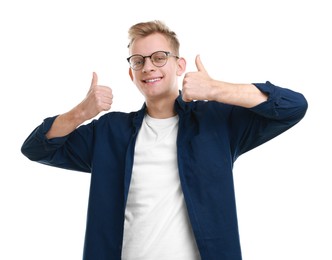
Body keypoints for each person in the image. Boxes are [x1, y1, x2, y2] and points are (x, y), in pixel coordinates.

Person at [21, 20, 308, 260]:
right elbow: (35, 147)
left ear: (179, 65)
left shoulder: (215, 123)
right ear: (131, 73)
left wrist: (216, 90)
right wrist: (82, 112)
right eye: (138, 61)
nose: (148, 67)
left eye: (159, 57)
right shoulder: (109, 133)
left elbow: (292, 107)